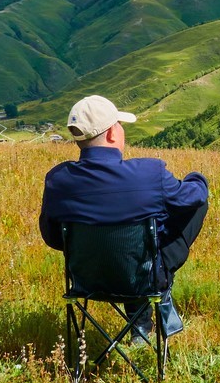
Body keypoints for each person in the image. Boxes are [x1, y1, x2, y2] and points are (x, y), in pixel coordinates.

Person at [39, 94, 208, 338]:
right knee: (193, 208)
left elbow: (53, 238)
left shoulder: (58, 180)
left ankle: (139, 321)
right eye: (119, 125)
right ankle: (159, 289)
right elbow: (195, 197)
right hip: (144, 277)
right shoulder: (149, 173)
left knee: (131, 240)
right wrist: (197, 177)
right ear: (111, 134)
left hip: (85, 281)